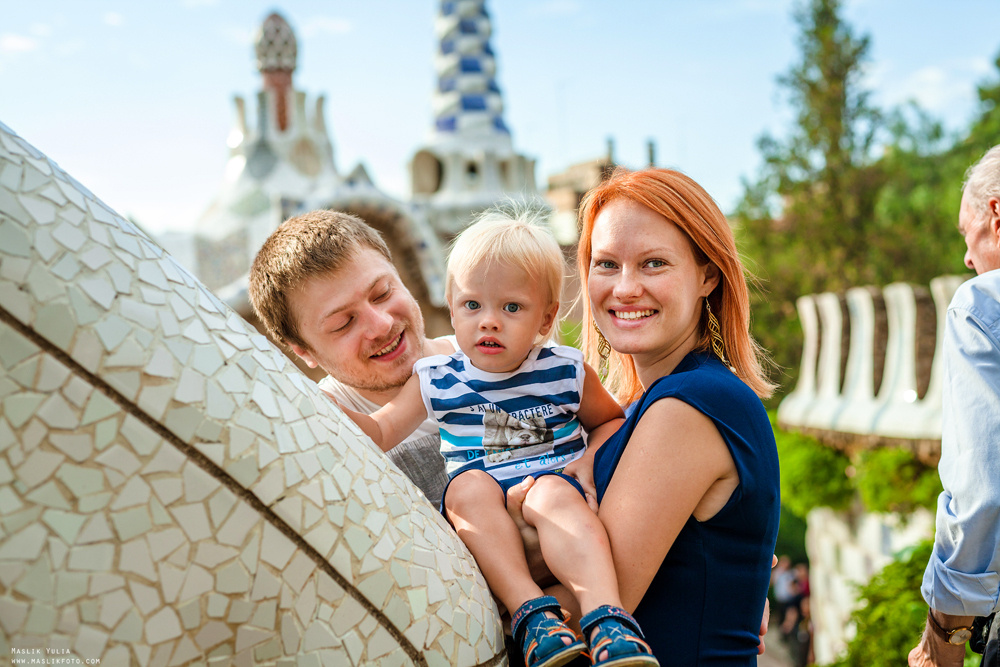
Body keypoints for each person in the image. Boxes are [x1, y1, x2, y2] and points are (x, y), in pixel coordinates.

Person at [337, 209, 660, 667]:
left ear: (545, 319)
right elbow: (381, 430)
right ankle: (532, 614)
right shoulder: (435, 379)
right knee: (465, 491)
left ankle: (609, 618)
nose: (489, 322)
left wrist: (590, 457)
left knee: (551, 497)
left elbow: (611, 421)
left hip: (552, 485)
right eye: (472, 306)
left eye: (511, 308)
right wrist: (320, 410)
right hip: (488, 499)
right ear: (451, 308)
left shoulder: (563, 371)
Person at [508, 167, 781, 664]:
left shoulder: (693, 403)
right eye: (606, 264)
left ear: (707, 275)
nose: (625, 288)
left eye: (653, 263)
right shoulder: (639, 407)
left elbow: (592, 618)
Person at [247, 210, 452, 505]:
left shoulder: (501, 357)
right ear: (303, 351)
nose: (381, 325)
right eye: (343, 323)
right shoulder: (323, 434)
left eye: (382, 293)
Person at [908, 146, 1000, 667]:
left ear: (996, 215)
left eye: (969, 235)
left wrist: (943, 635)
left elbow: (983, 494)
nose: (967, 260)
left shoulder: (983, 304)